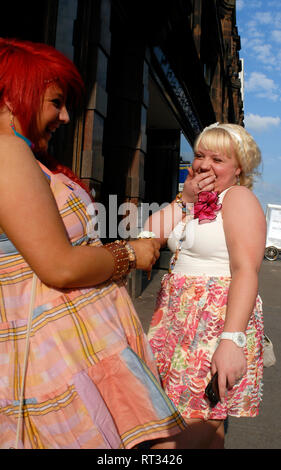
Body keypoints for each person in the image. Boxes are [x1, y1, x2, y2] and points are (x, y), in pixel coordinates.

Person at [0, 38, 187, 449]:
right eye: (55, 102)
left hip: (79, 347)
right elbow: (59, 266)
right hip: (61, 355)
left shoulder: (23, 156)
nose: (66, 116)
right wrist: (129, 254)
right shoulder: (7, 151)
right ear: (16, 95)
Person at [146, 122, 266, 449]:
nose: (203, 165)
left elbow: (246, 271)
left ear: (239, 167)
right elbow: (147, 238)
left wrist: (231, 341)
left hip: (216, 325)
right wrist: (184, 199)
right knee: (209, 425)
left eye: (218, 159)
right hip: (175, 321)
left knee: (188, 428)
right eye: (200, 156)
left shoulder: (238, 197)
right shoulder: (193, 201)